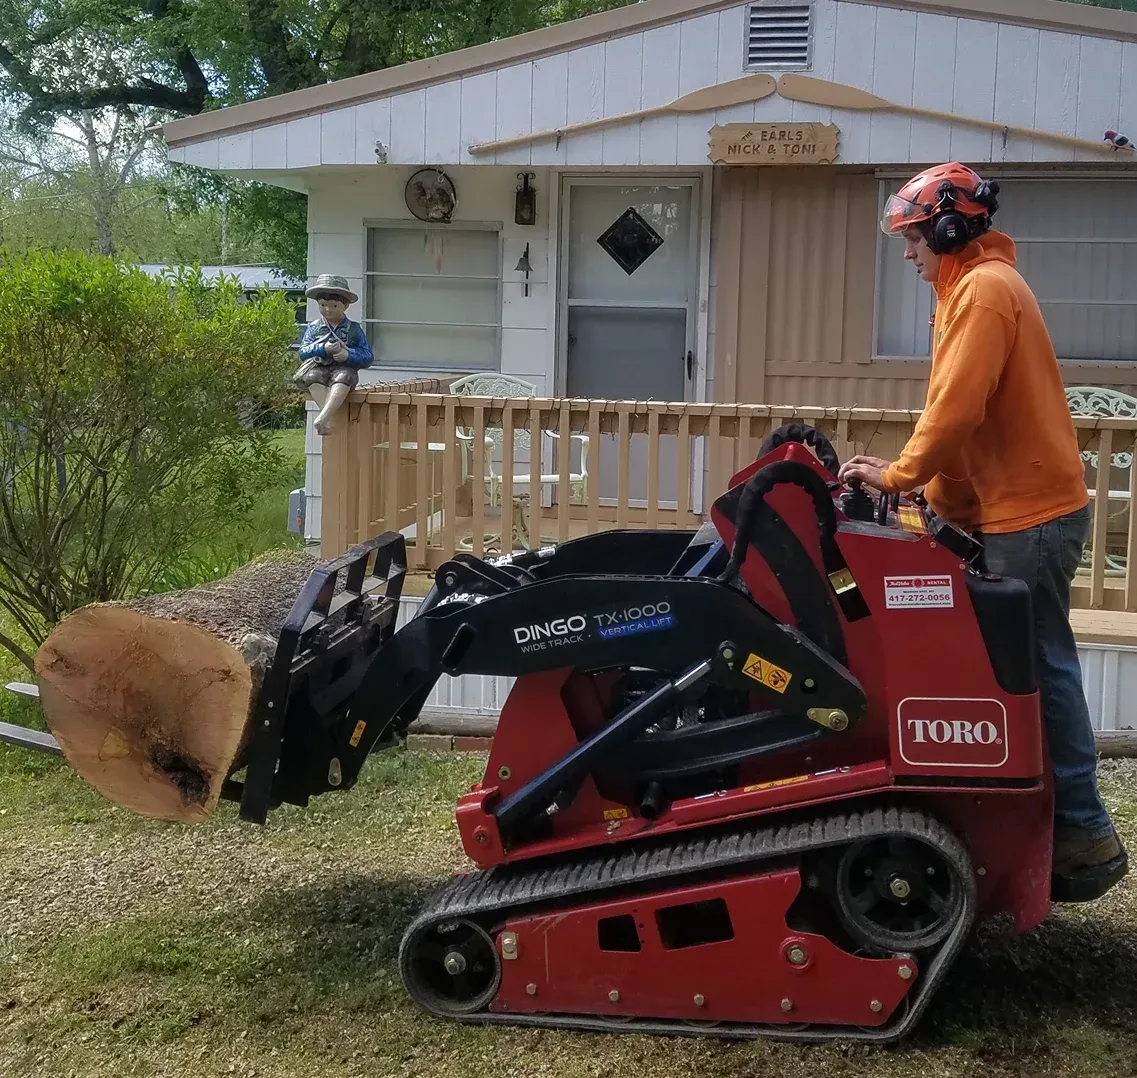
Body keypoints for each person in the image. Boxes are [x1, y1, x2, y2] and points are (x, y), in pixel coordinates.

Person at [838, 162, 1127, 899]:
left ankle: (1083, 835)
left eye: (912, 238)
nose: (905, 253)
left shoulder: (986, 293)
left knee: (1034, 664)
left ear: (946, 229)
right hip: (1008, 512)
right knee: (1014, 665)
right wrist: (931, 502)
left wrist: (899, 477)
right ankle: (1035, 816)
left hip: (1031, 518)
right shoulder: (961, 291)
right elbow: (966, 427)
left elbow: (956, 412)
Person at [293, 274, 374, 435]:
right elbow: (303, 351)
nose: (328, 310)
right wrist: (323, 348)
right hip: (320, 367)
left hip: (344, 369)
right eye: (323, 305)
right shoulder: (315, 327)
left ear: (345, 306)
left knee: (343, 377)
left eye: (334, 306)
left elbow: (367, 356)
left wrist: (347, 355)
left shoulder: (353, 329)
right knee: (312, 377)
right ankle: (327, 418)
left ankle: (323, 417)